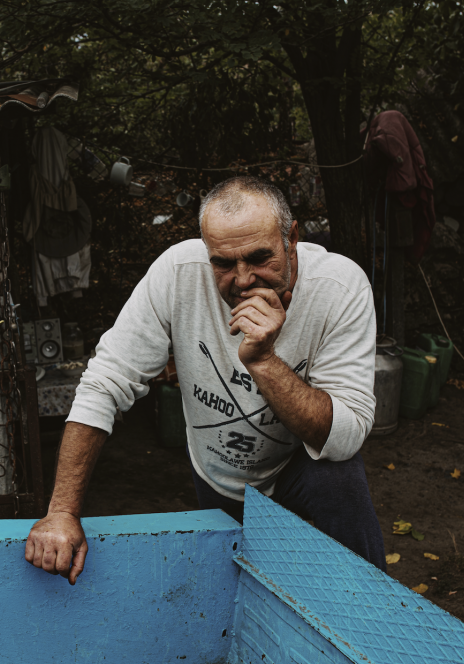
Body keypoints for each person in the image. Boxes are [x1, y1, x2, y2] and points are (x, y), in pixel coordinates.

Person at [24, 175, 385, 585]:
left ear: (292, 237)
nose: (244, 279)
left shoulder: (339, 287)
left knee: (338, 479)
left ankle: (376, 621)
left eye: (260, 257)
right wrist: (62, 512)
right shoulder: (179, 272)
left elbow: (345, 436)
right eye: (224, 263)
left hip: (295, 465)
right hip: (218, 473)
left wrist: (265, 362)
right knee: (236, 587)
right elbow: (105, 383)